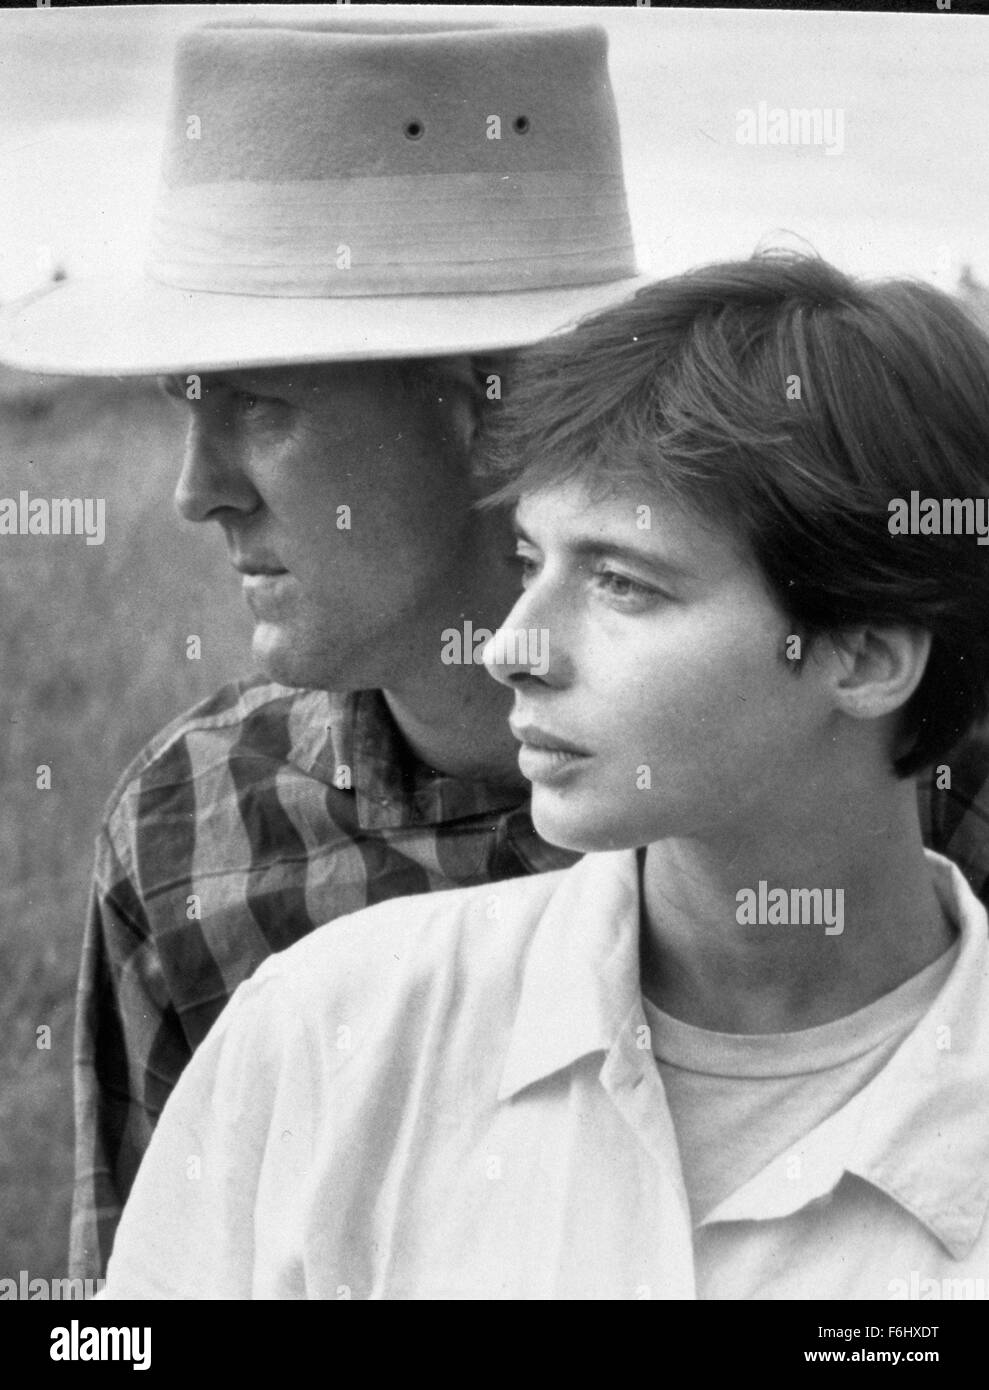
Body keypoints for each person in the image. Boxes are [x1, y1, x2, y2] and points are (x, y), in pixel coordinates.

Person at [100, 253, 989, 1299]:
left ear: (865, 657)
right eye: (529, 563)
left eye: (621, 583)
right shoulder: (320, 1034)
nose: (509, 647)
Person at [0, 15, 647, 1280]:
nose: (196, 491)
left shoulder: (841, 778)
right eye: (187, 407)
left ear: (491, 419)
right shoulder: (191, 830)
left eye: (261, 408)